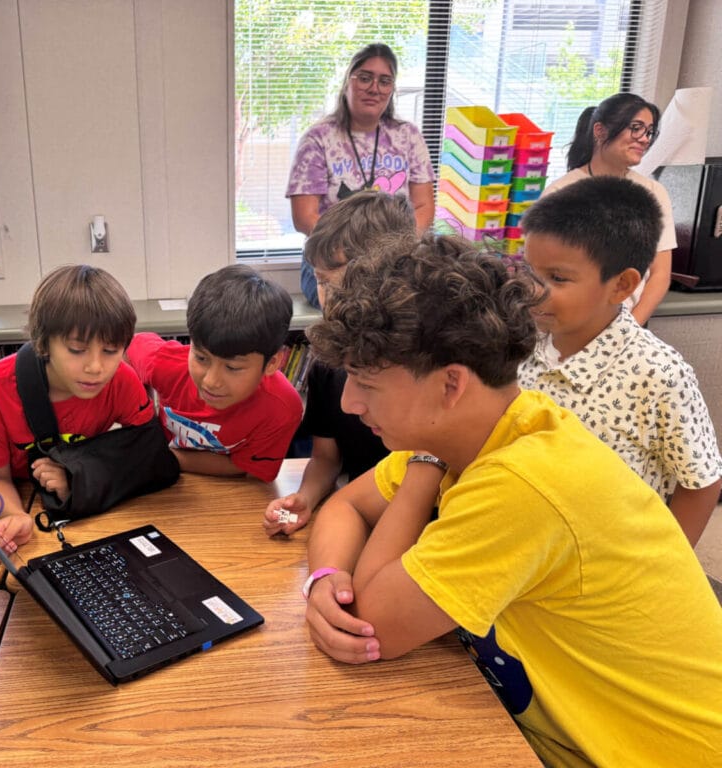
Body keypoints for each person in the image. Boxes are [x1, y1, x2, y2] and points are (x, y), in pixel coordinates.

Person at [301, 235, 722, 767]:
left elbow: (371, 625)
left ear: (451, 384)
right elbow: (345, 507)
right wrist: (325, 579)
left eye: (366, 384)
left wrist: (421, 471)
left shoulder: (522, 481)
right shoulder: (489, 427)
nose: (348, 402)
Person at [518, 176, 722, 546]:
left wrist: (664, 566)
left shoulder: (658, 373)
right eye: (529, 271)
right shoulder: (519, 344)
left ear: (622, 286)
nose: (533, 290)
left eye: (557, 278)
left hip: (608, 564)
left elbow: (701, 482)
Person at [0, 265, 154, 553]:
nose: (96, 367)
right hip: (0, 499)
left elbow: (145, 454)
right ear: (44, 342)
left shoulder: (122, 380)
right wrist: (13, 517)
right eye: (76, 350)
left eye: (110, 351)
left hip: (71, 510)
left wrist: (77, 476)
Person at [264, 191, 413, 536]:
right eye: (321, 281)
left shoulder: (418, 370)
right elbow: (326, 458)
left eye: (341, 282)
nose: (330, 298)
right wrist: (305, 498)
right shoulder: (327, 364)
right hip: (357, 518)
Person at [286, 43, 435, 309]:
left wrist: (394, 249)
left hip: (394, 258)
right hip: (333, 259)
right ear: (347, 82)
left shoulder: (409, 137)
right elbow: (304, 218)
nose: (374, 88)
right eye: (365, 77)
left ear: (392, 89)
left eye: (384, 81)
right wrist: (360, 252)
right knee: (370, 304)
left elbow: (423, 206)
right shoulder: (318, 139)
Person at [126, 264, 302, 483]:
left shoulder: (282, 408)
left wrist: (167, 458)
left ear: (272, 363)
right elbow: (130, 347)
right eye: (201, 358)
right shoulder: (164, 363)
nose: (210, 381)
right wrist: (141, 404)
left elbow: (244, 467)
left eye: (233, 368)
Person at [543, 92, 676, 325]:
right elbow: (547, 273)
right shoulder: (561, 192)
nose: (644, 139)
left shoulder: (653, 193)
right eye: (635, 128)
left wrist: (629, 331)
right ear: (600, 131)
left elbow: (660, 274)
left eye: (649, 131)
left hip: (628, 325)